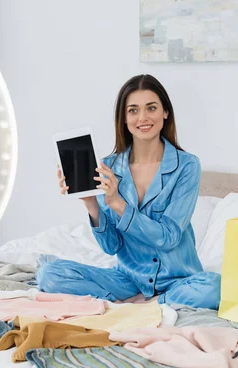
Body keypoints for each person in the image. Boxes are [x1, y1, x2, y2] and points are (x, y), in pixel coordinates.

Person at [37, 74, 221, 309]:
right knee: (49, 274)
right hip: (128, 280)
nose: (143, 118)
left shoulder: (187, 166)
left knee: (214, 288)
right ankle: (143, 301)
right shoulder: (109, 168)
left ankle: (147, 303)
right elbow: (111, 247)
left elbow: (169, 237)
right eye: (133, 111)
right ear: (124, 118)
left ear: (165, 112)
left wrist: (118, 204)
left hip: (179, 281)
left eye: (151, 108)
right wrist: (91, 202)